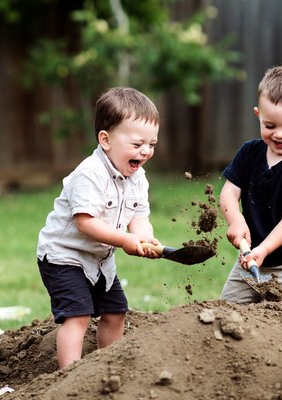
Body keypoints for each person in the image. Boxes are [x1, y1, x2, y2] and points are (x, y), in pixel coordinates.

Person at [37, 87, 161, 368]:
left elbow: (139, 217)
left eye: (151, 144)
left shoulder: (138, 177)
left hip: (99, 261)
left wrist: (145, 239)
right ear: (105, 139)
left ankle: (107, 368)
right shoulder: (90, 174)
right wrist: (125, 240)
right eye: (138, 143)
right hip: (63, 256)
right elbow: (85, 222)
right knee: (78, 315)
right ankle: (70, 375)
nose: (146, 151)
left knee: (116, 311)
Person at [220, 65, 282, 305]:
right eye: (270, 125)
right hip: (249, 258)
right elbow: (229, 193)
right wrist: (236, 220)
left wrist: (263, 250)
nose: (279, 134)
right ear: (258, 115)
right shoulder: (249, 153)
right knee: (226, 311)